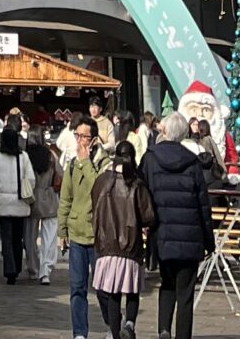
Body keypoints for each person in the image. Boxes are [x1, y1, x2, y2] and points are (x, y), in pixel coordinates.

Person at [143, 114, 215, 339]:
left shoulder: (150, 158)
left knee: (167, 284)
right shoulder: (192, 162)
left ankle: (164, 329)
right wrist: (209, 241)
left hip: (162, 233)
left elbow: (141, 194)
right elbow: (203, 204)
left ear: (164, 131)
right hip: (190, 235)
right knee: (185, 293)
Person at [92, 144, 156, 339]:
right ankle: (129, 324)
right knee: (132, 291)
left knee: (113, 294)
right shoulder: (136, 183)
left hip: (106, 244)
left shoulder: (102, 181)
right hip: (130, 244)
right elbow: (148, 216)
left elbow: (93, 206)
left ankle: (114, 334)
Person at [61, 117, 104, 339]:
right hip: (77, 233)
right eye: (77, 135)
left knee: (103, 288)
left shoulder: (104, 162)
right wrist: (62, 231)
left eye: (84, 137)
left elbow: (99, 188)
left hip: (97, 234)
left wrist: (86, 162)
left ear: (94, 139)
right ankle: (79, 332)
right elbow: (65, 199)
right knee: (77, 287)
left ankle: (112, 325)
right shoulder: (71, 165)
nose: (79, 141)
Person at [0, 122, 39, 284]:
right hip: (20, 204)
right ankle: (16, 267)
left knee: (6, 238)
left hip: (3, 204)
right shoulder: (23, 157)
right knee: (18, 238)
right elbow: (31, 179)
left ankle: (9, 269)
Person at [29, 124, 64, 282]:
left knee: (30, 237)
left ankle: (33, 268)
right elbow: (61, 174)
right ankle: (45, 270)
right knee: (49, 237)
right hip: (49, 197)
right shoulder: (51, 155)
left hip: (30, 198)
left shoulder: (25, 156)